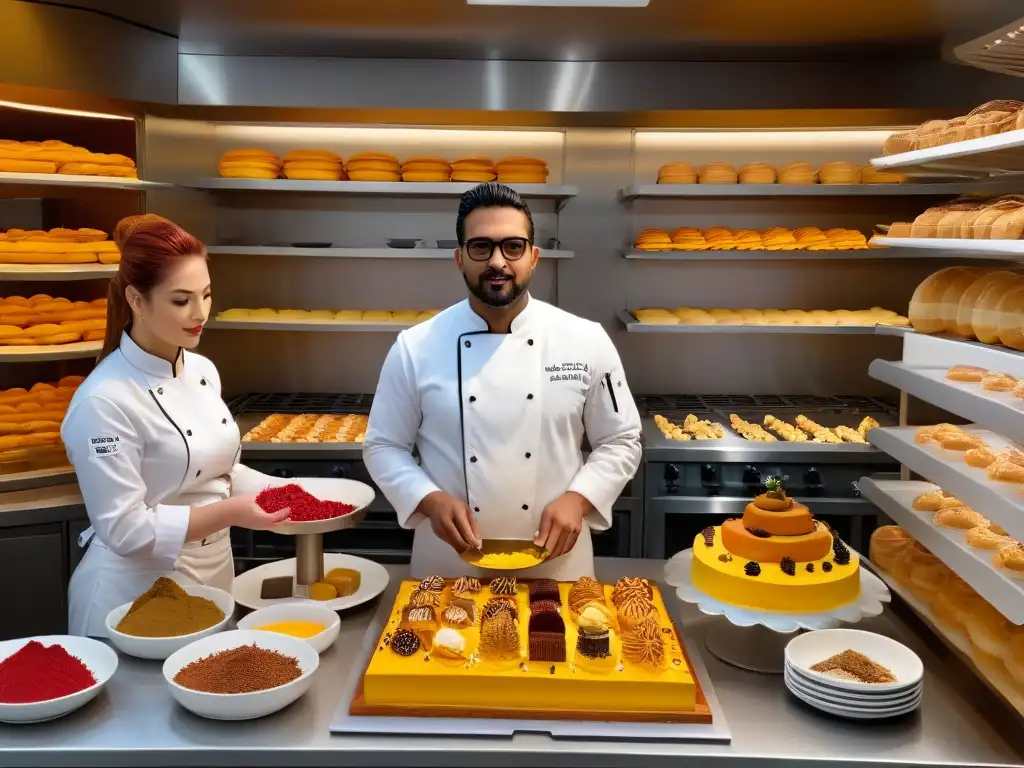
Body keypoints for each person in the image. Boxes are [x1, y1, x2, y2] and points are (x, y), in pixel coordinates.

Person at [364, 183, 642, 580]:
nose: (498, 261)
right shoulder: (415, 346)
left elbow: (621, 440)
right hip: (448, 562)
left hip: (556, 563)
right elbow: (382, 445)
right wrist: (427, 499)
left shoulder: (586, 340)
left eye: (513, 246)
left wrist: (580, 500)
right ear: (459, 258)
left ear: (534, 257)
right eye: (481, 247)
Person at [62, 215, 288, 637]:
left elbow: (219, 471)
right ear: (136, 299)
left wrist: (286, 492)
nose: (201, 313)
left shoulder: (202, 369)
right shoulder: (103, 401)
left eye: (205, 295)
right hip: (134, 596)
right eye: (181, 301)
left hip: (215, 577)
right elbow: (125, 530)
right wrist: (235, 513)